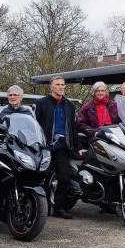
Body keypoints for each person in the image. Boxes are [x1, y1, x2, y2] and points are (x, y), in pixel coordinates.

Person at [35, 75, 78, 219]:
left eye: (63, 84)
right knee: (44, 178)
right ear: (51, 87)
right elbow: (36, 125)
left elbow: (73, 127)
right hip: (45, 146)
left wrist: (76, 147)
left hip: (62, 147)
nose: (61, 87)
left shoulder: (70, 105)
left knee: (64, 177)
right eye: (58, 84)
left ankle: (59, 208)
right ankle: (43, 208)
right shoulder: (41, 103)